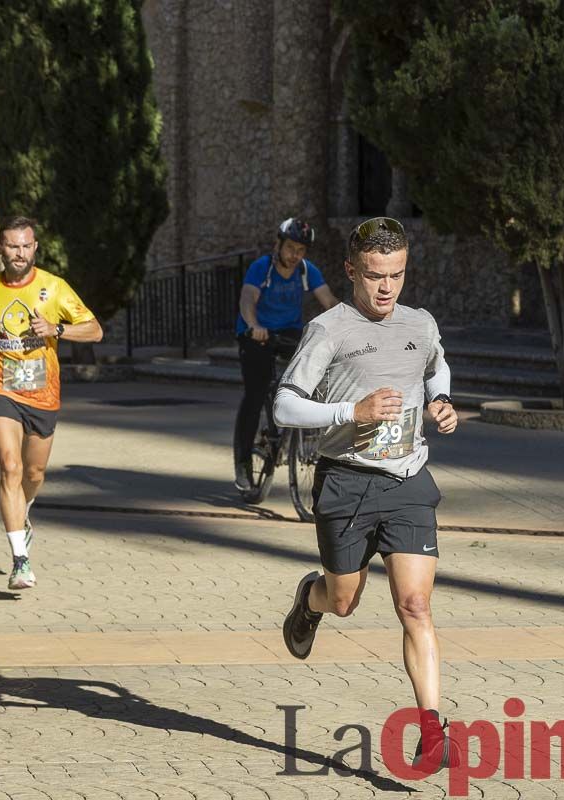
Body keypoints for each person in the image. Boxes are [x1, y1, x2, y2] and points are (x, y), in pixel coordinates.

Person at [273, 216, 461, 772]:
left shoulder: (420, 323)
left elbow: (436, 366)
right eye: (376, 276)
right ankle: (311, 600)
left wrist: (442, 401)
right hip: (346, 482)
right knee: (344, 601)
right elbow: (285, 406)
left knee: (415, 605)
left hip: (407, 481)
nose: (386, 288)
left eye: (397, 275)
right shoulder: (330, 329)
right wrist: (348, 412)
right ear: (352, 270)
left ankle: (432, 731)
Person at [0, 216, 103, 590]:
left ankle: (23, 513)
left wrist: (57, 329)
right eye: (12, 246)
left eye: (25, 246)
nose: (19, 253)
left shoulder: (54, 288)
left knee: (33, 474)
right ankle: (20, 561)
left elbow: (95, 330)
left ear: (34, 247)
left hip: (42, 391)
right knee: (10, 467)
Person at [234, 218, 338, 491]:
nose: (295, 255)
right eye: (291, 248)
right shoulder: (261, 268)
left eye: (301, 250)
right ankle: (243, 462)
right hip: (256, 334)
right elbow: (247, 299)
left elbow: (328, 301)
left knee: (314, 374)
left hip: (289, 332)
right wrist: (254, 325)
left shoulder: (306, 270)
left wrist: (349, 326)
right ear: (277, 244)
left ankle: (301, 432)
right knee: (255, 395)